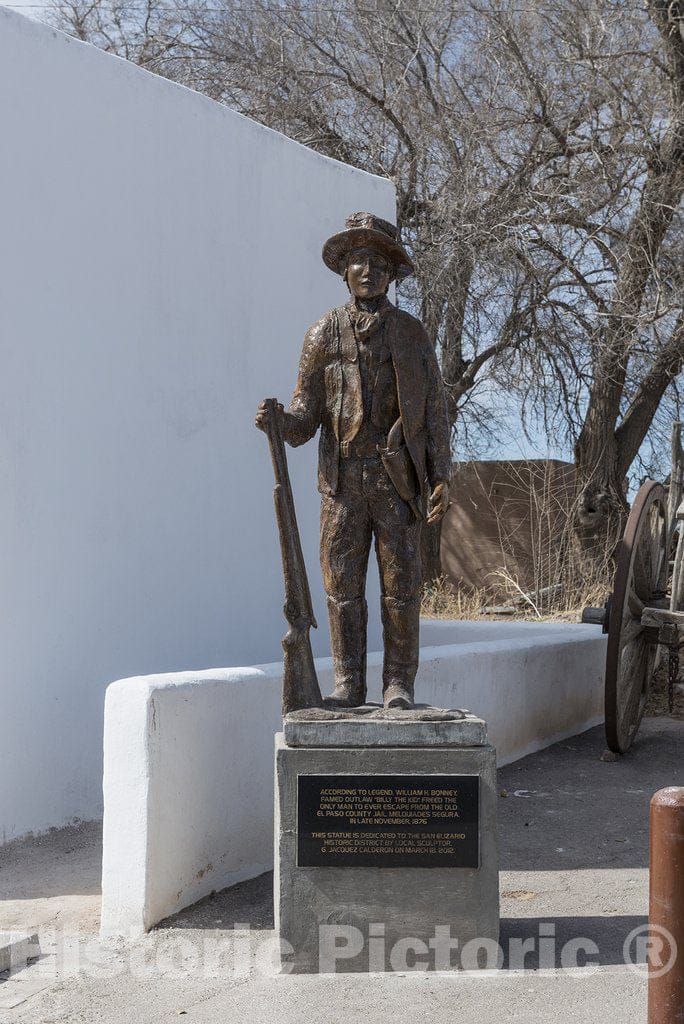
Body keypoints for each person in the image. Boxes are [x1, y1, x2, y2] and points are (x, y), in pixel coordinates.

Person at [256, 212, 451, 710]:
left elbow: (433, 414)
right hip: (341, 482)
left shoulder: (411, 334)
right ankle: (348, 683)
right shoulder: (322, 333)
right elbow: (305, 417)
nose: (367, 270)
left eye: (378, 262)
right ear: (344, 270)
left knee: (401, 587)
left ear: (391, 273)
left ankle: (398, 685)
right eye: (358, 261)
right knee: (341, 588)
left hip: (396, 481)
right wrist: (281, 421)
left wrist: (440, 476)